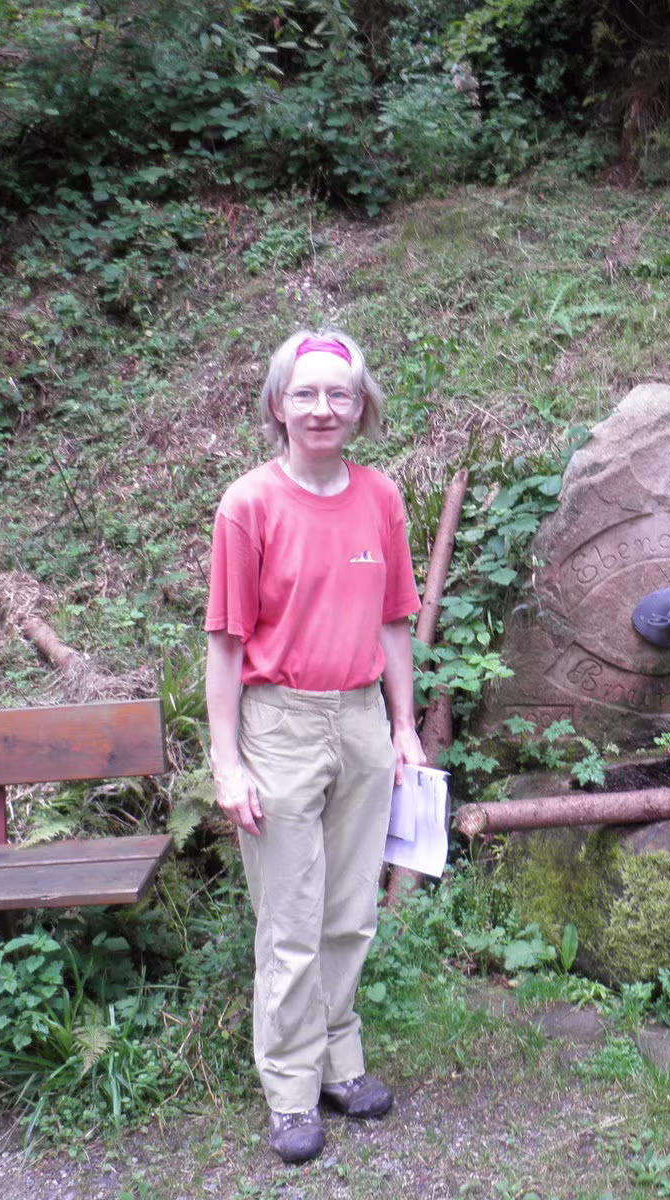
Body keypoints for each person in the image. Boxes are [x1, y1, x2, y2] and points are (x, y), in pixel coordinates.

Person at [204, 328, 424, 1165]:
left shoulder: (381, 498)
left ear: (362, 407)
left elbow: (394, 624)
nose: (323, 408)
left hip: (363, 721)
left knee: (350, 912)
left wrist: (403, 728)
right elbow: (226, 645)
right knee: (291, 920)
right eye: (306, 393)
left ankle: (341, 1060)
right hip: (280, 726)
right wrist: (227, 763)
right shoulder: (248, 505)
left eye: (340, 394)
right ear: (278, 405)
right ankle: (291, 1091)